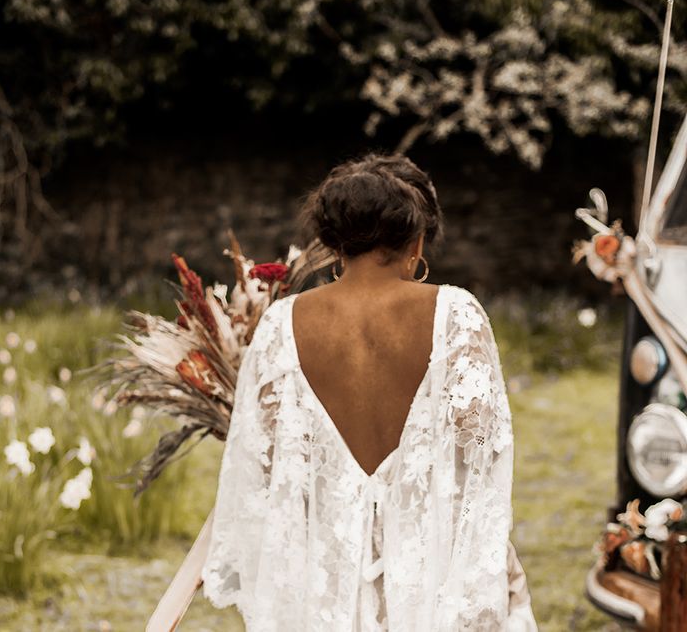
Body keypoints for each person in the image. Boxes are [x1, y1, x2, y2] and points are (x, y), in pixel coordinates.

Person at [200, 153, 538, 631]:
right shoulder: (456, 315)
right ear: (416, 240)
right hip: (429, 582)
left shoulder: (280, 326)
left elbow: (268, 465)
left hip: (322, 586)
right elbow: (478, 459)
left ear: (333, 242)